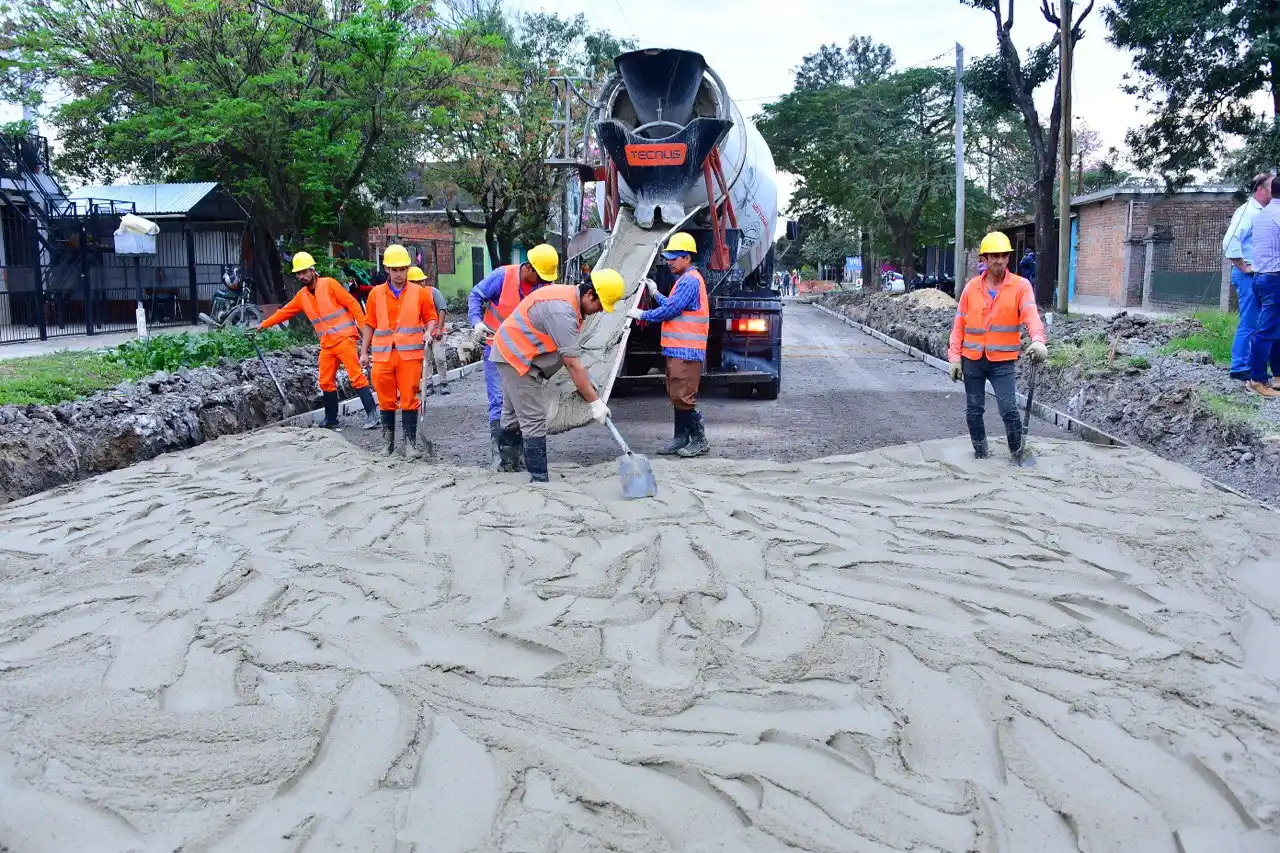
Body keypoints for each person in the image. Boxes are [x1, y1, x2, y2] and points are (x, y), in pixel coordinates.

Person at [489, 269, 625, 483]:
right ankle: (539, 478)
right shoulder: (562, 311)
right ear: (590, 294)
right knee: (533, 418)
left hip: (513, 352)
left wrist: (585, 385)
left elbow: (564, 352)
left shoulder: (571, 301)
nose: (599, 311)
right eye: (599, 305)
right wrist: (595, 402)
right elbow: (571, 362)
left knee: (512, 413)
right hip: (518, 358)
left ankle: (509, 467)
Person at [947, 231, 1047, 463]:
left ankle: (1017, 456)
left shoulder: (1020, 287)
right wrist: (954, 357)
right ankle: (981, 455)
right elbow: (959, 324)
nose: (998, 260)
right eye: (993, 256)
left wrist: (1038, 340)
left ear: (1008, 258)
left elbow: (1031, 314)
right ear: (984, 258)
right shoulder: (971, 288)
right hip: (972, 359)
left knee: (1009, 410)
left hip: (1002, 361)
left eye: (1003, 255)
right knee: (974, 411)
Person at [256, 251, 379, 430]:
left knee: (356, 377)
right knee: (325, 380)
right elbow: (285, 312)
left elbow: (352, 304)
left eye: (305, 272)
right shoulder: (302, 296)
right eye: (299, 273)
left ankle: (372, 415)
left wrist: (362, 327)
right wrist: (263, 324)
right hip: (327, 344)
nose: (302, 276)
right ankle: (331, 419)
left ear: (313, 271)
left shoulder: (329, 284)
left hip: (344, 339)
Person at [468, 243, 559, 466]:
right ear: (528, 267)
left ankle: (516, 455)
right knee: (498, 400)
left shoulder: (544, 286)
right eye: (540, 276)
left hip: (525, 353)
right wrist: (477, 322)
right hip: (496, 348)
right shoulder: (502, 276)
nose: (543, 282)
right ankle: (499, 455)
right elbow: (476, 296)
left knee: (521, 402)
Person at [626, 232, 712, 457]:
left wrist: (642, 314)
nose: (669, 262)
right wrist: (655, 293)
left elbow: (670, 311)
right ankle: (680, 438)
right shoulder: (685, 280)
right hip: (679, 349)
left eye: (674, 258)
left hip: (686, 351)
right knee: (676, 394)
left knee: (683, 396)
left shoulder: (690, 281)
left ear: (687, 258)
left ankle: (699, 441)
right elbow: (674, 305)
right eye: (669, 257)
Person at [358, 245, 439, 459]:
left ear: (408, 269)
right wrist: (364, 352)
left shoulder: (420, 293)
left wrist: (429, 332)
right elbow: (369, 324)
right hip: (383, 355)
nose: (399, 274)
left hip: (410, 357)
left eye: (402, 269)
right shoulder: (376, 294)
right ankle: (388, 444)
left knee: (409, 400)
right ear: (386, 269)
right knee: (385, 400)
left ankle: (410, 445)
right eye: (394, 270)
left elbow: (431, 317)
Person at [1224, 173, 1274, 380]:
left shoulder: (1265, 212)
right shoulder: (1247, 211)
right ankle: (1239, 367)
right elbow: (1230, 241)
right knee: (1250, 322)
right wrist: (1243, 267)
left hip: (1263, 275)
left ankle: (1255, 365)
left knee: (1263, 323)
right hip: (1248, 277)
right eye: (1273, 187)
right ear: (1260, 190)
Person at [1245, 176, 1280, 398]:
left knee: (1274, 331)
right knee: (1266, 333)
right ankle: (1257, 380)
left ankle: (1277, 375)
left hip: (1261, 278)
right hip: (1275, 280)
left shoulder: (1264, 214)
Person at [408, 266, 451, 397]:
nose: (420, 284)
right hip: (422, 334)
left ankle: (444, 383)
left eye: (421, 281)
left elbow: (442, 309)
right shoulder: (409, 297)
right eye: (415, 282)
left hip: (436, 333)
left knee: (439, 358)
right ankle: (429, 385)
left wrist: (439, 329)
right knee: (426, 361)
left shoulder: (433, 292)